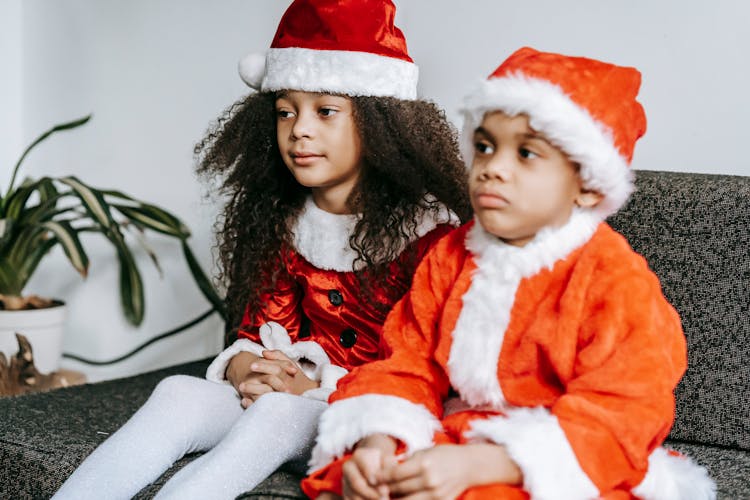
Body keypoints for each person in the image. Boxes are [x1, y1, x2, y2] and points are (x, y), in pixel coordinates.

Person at [52, 1, 471, 499]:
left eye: (326, 110)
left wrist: (309, 389)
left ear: (381, 122)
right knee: (178, 392)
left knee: (278, 410)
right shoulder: (285, 219)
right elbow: (261, 326)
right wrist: (247, 367)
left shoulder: (431, 234)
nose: (300, 130)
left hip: (371, 414)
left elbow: (422, 374)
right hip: (288, 393)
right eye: (285, 111)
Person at [302, 47, 716, 500]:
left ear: (588, 186)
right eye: (484, 147)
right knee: (355, 481)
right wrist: (377, 439)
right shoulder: (449, 255)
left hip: (566, 458)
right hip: (460, 436)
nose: (492, 169)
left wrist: (486, 463)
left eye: (526, 154)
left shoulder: (615, 280)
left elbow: (623, 411)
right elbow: (404, 362)